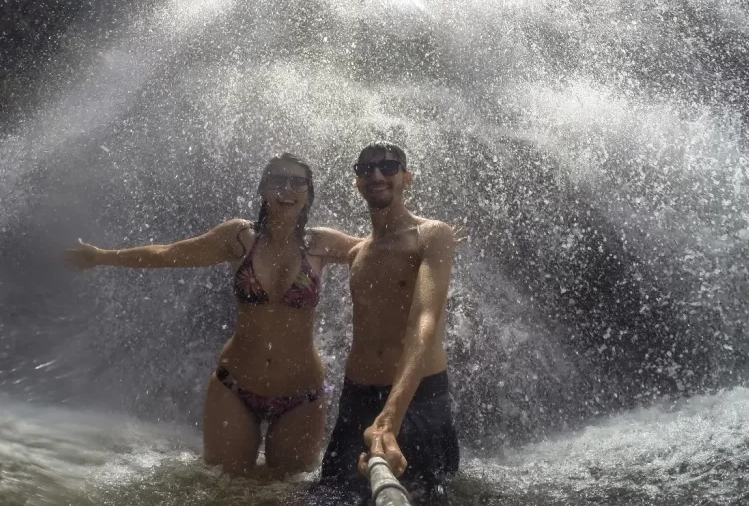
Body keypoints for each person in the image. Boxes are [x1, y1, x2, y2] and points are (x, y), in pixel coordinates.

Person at [63, 153, 360, 476]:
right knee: (224, 489)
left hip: (302, 396)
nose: (286, 189)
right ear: (262, 189)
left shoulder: (322, 243)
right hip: (235, 387)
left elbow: (379, 255)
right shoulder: (238, 239)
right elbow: (169, 254)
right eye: (277, 180)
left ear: (308, 193)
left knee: (286, 492)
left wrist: (421, 239)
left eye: (297, 181)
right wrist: (101, 257)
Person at [318, 142, 461, 498]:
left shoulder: (431, 235)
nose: (377, 175)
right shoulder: (357, 251)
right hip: (357, 398)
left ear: (406, 178)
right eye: (366, 169)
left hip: (417, 399)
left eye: (389, 167)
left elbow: (425, 319)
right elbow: (291, 237)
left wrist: (390, 416)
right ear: (357, 183)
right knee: (335, 495)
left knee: (425, 496)